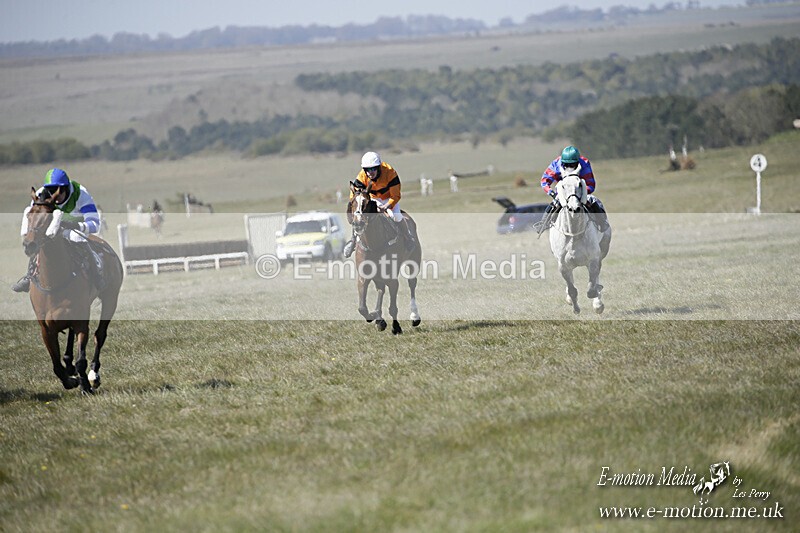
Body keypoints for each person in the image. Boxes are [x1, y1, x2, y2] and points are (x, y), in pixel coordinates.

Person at [12, 168, 103, 293]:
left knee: (77, 237)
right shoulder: (40, 194)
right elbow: (33, 217)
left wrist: (76, 226)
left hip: (75, 227)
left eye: (58, 192)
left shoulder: (81, 193)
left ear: (66, 188)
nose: (55, 196)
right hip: (50, 230)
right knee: (37, 241)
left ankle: (96, 275)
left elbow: (95, 224)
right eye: (51, 192)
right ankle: (29, 275)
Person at [343, 151, 416, 258]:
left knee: (396, 216)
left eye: (373, 169)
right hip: (372, 199)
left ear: (379, 167)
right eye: (367, 170)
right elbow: (355, 195)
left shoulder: (390, 173)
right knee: (360, 217)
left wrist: (387, 206)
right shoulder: (362, 176)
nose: (370, 173)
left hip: (389, 199)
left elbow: (396, 195)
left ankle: (408, 238)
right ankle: (353, 241)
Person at [537, 145, 608, 234]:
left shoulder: (584, 163)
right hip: (563, 192)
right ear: (562, 162)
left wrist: (581, 192)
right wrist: (551, 193)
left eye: (573, 164)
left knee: (592, 200)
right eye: (567, 165)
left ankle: (602, 222)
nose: (570, 167)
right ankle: (543, 224)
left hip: (580, 190)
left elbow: (591, 184)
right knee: (555, 204)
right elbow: (544, 181)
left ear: (578, 161)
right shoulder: (556, 164)